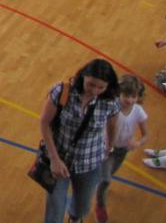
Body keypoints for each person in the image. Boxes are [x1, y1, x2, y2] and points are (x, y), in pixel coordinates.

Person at [38, 59, 120, 223]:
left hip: (90, 162)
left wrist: (109, 147)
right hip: (59, 158)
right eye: (90, 84)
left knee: (82, 206)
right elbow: (45, 123)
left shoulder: (110, 102)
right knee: (54, 209)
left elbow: (112, 126)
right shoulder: (62, 92)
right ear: (83, 76)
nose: (94, 91)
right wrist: (54, 159)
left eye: (101, 87)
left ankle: (75, 218)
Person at [94, 75, 148, 223]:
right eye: (126, 95)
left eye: (133, 96)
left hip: (121, 151)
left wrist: (137, 143)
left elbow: (146, 135)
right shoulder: (112, 106)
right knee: (105, 180)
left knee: (108, 175)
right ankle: (100, 206)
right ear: (119, 93)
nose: (129, 100)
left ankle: (98, 184)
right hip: (106, 148)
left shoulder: (138, 111)